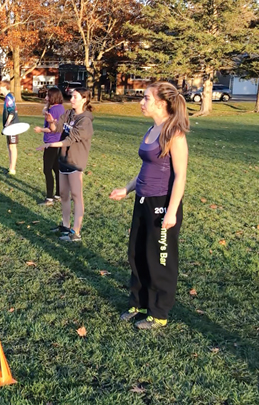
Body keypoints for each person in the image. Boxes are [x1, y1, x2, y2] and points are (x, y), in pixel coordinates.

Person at [109, 82, 189, 330]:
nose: (141, 102)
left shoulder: (174, 133)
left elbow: (181, 175)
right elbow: (146, 169)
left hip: (162, 202)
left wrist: (172, 211)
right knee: (137, 253)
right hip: (142, 199)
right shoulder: (152, 129)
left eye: (146, 98)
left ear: (162, 103)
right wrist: (127, 188)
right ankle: (140, 302)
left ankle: (159, 312)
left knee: (159, 259)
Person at [35, 88, 94, 242]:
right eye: (72, 96)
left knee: (76, 196)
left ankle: (76, 232)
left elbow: (70, 139)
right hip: (63, 159)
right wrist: (50, 122)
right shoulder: (68, 114)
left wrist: (51, 145)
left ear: (84, 99)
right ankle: (65, 225)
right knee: (63, 194)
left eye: (75, 97)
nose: (71, 99)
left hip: (75, 161)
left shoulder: (85, 120)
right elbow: (57, 128)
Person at [33, 88, 65, 205]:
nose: (46, 98)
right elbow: (43, 112)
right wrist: (47, 103)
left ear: (53, 97)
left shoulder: (53, 110)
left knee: (47, 170)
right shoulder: (60, 108)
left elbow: (52, 129)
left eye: (48, 96)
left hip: (51, 143)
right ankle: (58, 194)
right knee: (57, 169)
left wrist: (40, 129)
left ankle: (49, 198)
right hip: (59, 143)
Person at [1, 80, 19, 175]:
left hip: (12, 125)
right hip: (10, 126)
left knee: (12, 146)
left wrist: (7, 124)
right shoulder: (8, 98)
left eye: (1, 87)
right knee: (9, 146)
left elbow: (11, 112)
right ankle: (10, 167)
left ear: (5, 87)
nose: (0, 88)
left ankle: (12, 169)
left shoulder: (9, 98)